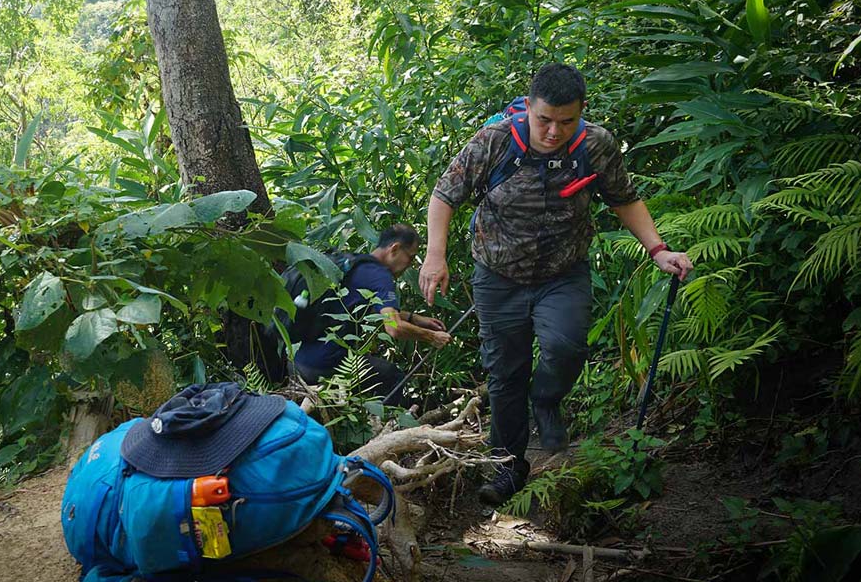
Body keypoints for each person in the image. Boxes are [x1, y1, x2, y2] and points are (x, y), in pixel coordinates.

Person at [419, 63, 694, 506]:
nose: (553, 131)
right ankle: (507, 468)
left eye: (565, 121)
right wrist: (435, 256)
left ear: (581, 112)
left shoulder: (595, 145)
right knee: (505, 374)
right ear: (527, 107)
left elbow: (624, 199)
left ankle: (546, 400)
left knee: (566, 346)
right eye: (544, 119)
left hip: (563, 274)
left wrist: (659, 250)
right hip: (497, 277)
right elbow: (444, 195)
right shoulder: (494, 141)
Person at [291, 224, 452, 406]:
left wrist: (415, 319)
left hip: (300, 361)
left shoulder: (356, 263)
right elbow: (394, 327)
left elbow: (372, 309)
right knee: (391, 376)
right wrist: (432, 337)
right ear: (395, 249)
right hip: (325, 366)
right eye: (410, 257)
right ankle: (390, 425)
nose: (409, 265)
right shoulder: (380, 276)